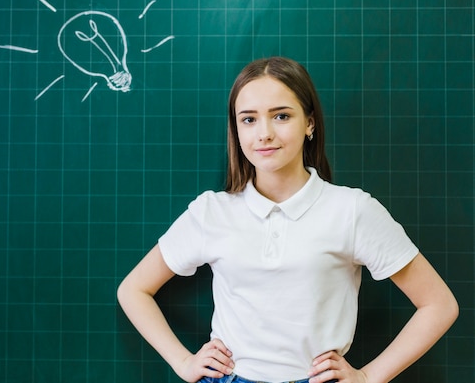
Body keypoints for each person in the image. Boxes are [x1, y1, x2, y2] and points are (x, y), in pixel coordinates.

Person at [117, 57, 458, 383]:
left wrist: (369, 376)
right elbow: (134, 289)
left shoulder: (352, 210)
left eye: (281, 116)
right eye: (248, 119)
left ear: (309, 122)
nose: (263, 133)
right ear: (235, 129)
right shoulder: (212, 212)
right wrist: (183, 360)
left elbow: (438, 304)